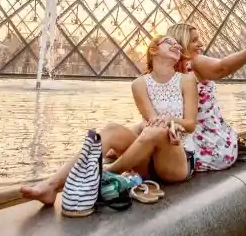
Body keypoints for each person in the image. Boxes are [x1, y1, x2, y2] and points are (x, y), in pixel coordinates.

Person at [22, 34, 199, 217]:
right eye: (169, 42)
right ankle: (50, 186)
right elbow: (151, 120)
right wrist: (158, 124)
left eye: (178, 45)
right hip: (147, 158)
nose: (177, 46)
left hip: (178, 158)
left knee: (156, 130)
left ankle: (101, 176)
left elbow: (190, 124)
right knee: (111, 129)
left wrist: (172, 121)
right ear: (153, 50)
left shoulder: (186, 80)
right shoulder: (139, 84)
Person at [166, 21, 246, 173]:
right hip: (213, 146)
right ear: (182, 43)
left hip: (186, 144)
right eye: (194, 40)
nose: (201, 44)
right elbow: (222, 67)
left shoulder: (168, 71)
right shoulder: (195, 62)